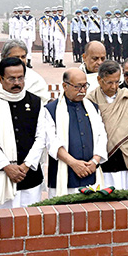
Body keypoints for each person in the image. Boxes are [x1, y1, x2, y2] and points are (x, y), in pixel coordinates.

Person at [0, 57, 50, 209]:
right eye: (11, 78)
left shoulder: (35, 102)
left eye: (20, 78)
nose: (17, 83)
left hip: (29, 176)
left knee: (30, 224)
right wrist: (6, 166)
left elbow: (41, 137)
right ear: (1, 79)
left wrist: (26, 165)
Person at [45, 68, 107, 197]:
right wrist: (74, 163)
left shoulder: (93, 108)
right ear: (64, 86)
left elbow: (102, 136)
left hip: (91, 172)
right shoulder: (50, 110)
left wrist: (94, 162)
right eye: (78, 87)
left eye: (85, 86)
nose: (83, 90)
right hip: (64, 173)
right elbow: (51, 142)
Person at [86, 61, 128, 190]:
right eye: (109, 82)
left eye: (117, 82)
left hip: (124, 163)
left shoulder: (127, 98)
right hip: (101, 162)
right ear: (99, 79)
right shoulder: (90, 101)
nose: (114, 87)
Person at [0, 40, 50, 104]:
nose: (21, 60)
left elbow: (43, 104)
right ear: (4, 57)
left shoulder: (36, 80)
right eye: (16, 57)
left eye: (23, 57)